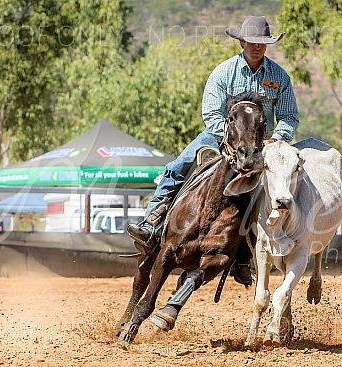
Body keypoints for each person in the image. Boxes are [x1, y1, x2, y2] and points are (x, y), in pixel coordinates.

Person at [128, 15, 299, 285]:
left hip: (259, 145)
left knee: (278, 185)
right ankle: (153, 220)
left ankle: (249, 254)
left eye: (262, 43)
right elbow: (211, 113)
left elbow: (289, 116)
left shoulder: (279, 76)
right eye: (253, 42)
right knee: (179, 165)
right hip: (220, 136)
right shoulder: (224, 72)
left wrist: (276, 140)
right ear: (242, 41)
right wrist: (230, 141)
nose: (258, 47)